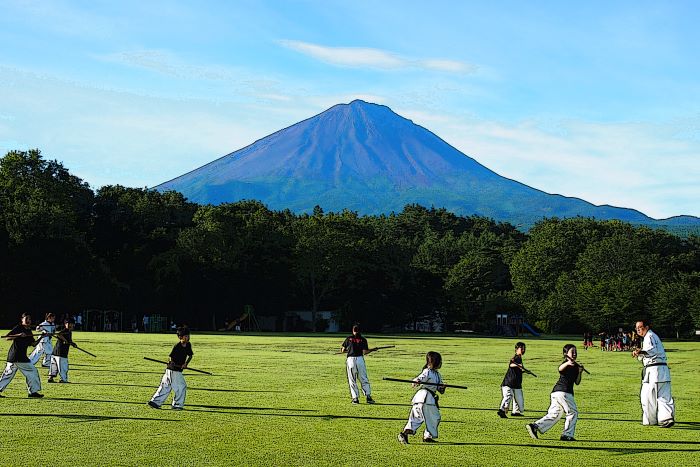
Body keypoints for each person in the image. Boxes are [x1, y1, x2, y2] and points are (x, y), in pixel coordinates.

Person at [526, 344, 584, 441]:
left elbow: (577, 382)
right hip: (564, 393)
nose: (574, 354)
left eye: (575, 352)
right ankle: (567, 435)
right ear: (566, 354)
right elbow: (560, 369)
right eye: (572, 352)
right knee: (572, 412)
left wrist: (580, 372)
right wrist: (568, 362)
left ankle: (535, 426)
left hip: (557, 393)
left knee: (555, 414)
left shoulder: (575, 367)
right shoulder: (565, 364)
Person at [632, 320, 675, 428]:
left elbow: (651, 351)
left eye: (640, 327)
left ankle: (650, 420)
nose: (638, 330)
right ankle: (666, 418)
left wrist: (639, 352)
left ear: (646, 327)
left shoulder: (649, 336)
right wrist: (640, 353)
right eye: (636, 328)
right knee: (664, 396)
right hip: (662, 369)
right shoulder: (652, 336)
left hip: (653, 370)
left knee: (647, 396)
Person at [398, 351, 445, 444]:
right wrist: (417, 381)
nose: (441, 364)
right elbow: (420, 378)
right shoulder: (427, 371)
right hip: (426, 399)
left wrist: (443, 387)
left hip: (421, 398)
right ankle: (428, 436)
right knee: (434, 417)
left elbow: (440, 390)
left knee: (416, 417)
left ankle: (405, 433)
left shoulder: (437, 375)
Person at [148, 326, 193, 410]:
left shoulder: (188, 345)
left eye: (188, 336)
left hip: (177, 369)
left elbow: (190, 355)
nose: (188, 338)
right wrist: (172, 362)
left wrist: (185, 364)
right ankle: (177, 405)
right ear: (180, 337)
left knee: (166, 386)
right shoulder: (177, 346)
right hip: (173, 370)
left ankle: (155, 402)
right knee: (181, 386)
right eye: (186, 336)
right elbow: (171, 357)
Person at [0, 313, 44, 398]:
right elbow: (7, 337)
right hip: (17, 356)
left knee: (7, 374)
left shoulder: (29, 331)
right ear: (22, 319)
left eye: (30, 319)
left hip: (17, 357)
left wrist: (41, 337)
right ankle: (33, 392)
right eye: (26, 318)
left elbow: (33, 344)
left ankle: (33, 392)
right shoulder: (19, 328)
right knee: (32, 371)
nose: (28, 320)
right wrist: (18, 335)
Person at [340, 324, 377, 404]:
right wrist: (372, 350)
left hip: (350, 360)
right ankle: (368, 397)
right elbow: (365, 352)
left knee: (352, 380)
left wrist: (349, 350)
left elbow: (342, 350)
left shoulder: (348, 339)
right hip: (360, 359)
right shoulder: (363, 339)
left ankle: (355, 398)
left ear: (353, 331)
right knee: (363, 378)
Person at [498, 342, 527, 418]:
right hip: (509, 382)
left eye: (524, 348)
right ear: (516, 349)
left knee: (519, 400)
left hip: (516, 383)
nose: (523, 350)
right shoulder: (516, 357)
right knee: (508, 396)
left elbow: (518, 370)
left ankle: (516, 411)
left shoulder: (519, 358)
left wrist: (523, 370)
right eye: (521, 348)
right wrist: (518, 365)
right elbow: (511, 364)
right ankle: (502, 410)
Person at [48, 318, 77, 383]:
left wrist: (73, 344)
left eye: (71, 324)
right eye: (68, 323)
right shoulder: (66, 330)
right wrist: (65, 340)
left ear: (73, 325)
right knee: (63, 367)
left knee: (53, 366)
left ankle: (50, 378)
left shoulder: (69, 332)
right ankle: (63, 379)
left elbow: (69, 340)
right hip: (61, 353)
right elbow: (59, 334)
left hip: (55, 352)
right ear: (65, 324)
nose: (69, 325)